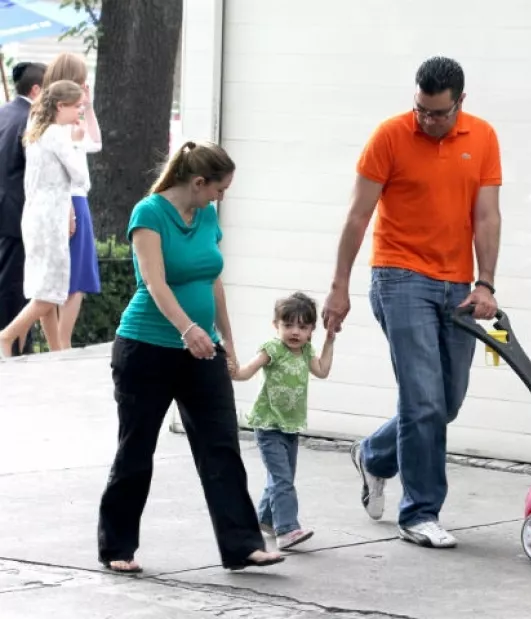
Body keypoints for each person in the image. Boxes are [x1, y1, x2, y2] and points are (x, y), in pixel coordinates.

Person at [322, 56, 503, 548]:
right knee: (422, 399)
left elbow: (486, 217)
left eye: (438, 113)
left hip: (457, 284)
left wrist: (485, 283)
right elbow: (357, 216)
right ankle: (420, 513)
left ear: (460, 103)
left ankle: (376, 455)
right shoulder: (390, 136)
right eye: (421, 109)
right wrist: (340, 285)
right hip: (399, 277)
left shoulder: (483, 138)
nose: (427, 120)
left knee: (445, 403)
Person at [96, 140, 283, 573]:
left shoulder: (207, 216)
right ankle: (117, 547)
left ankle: (242, 546)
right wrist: (187, 328)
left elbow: (213, 279)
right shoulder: (149, 214)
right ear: (198, 183)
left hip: (203, 349)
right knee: (136, 449)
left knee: (221, 446)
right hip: (146, 349)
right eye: (219, 189)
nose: (222, 197)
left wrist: (227, 341)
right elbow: (155, 283)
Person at [230, 292, 335, 550]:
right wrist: (233, 370)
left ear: (311, 330)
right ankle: (287, 529)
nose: (295, 332)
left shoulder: (307, 350)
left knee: (281, 477)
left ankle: (266, 519)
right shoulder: (272, 349)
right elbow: (246, 372)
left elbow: (321, 370)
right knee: (282, 479)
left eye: (302, 326)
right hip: (268, 425)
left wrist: (329, 341)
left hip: (291, 426)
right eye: (288, 325)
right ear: (275, 325)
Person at [0, 80, 88, 358]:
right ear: (60, 106)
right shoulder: (57, 135)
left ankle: (56, 351)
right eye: (76, 107)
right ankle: (7, 334)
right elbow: (81, 177)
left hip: (34, 215)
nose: (79, 113)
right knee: (52, 290)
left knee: (43, 286)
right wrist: (76, 143)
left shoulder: (35, 131)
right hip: (50, 218)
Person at [40, 52, 103, 349]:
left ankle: (56, 342)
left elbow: (94, 143)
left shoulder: (49, 115)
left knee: (55, 276)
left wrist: (87, 108)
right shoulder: (60, 120)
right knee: (75, 277)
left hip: (59, 201)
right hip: (72, 200)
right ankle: (61, 342)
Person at [0, 62, 46, 356]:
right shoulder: (30, 118)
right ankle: (13, 343)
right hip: (18, 209)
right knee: (14, 283)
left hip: (6, 205)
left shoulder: (5, 112)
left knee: (9, 279)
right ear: (37, 90)